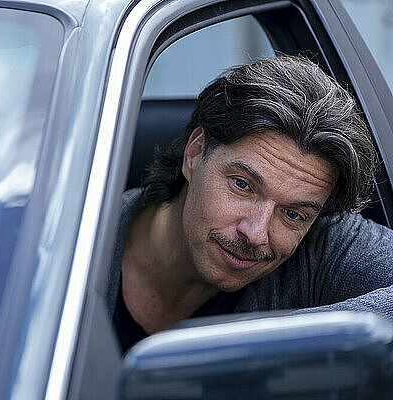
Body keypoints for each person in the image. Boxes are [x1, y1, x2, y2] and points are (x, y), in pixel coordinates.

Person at [107, 55, 393, 353]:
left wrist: (272, 343)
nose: (255, 234)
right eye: (242, 185)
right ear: (194, 153)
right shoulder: (74, 242)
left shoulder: (321, 243)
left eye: (293, 214)